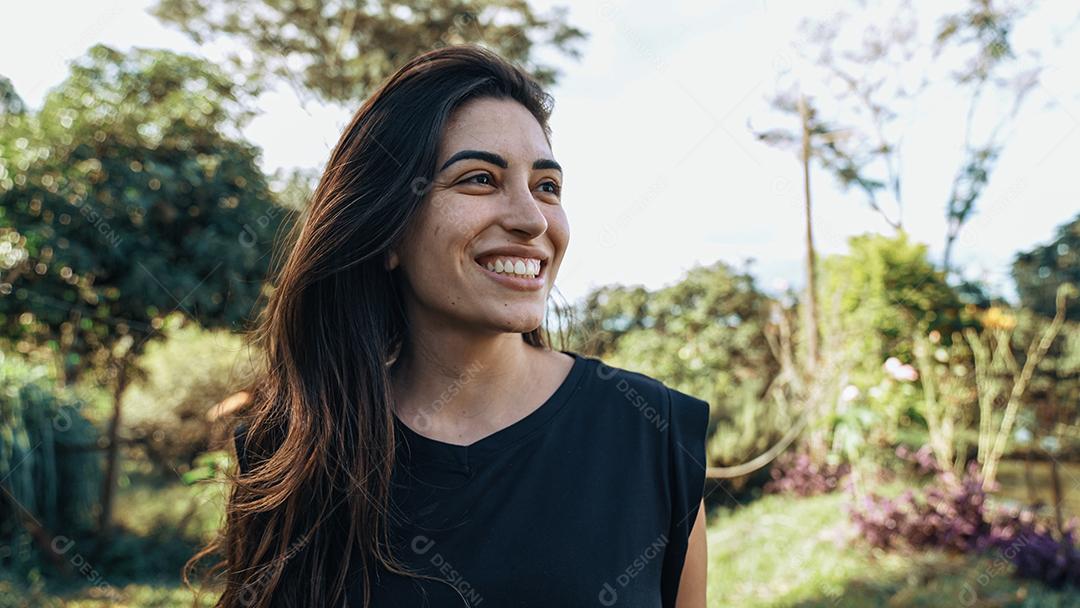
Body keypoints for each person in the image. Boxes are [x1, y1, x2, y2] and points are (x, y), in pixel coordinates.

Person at [186, 44, 710, 608]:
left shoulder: (654, 437)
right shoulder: (290, 450)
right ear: (387, 231)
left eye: (547, 186)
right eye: (480, 179)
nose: (531, 219)